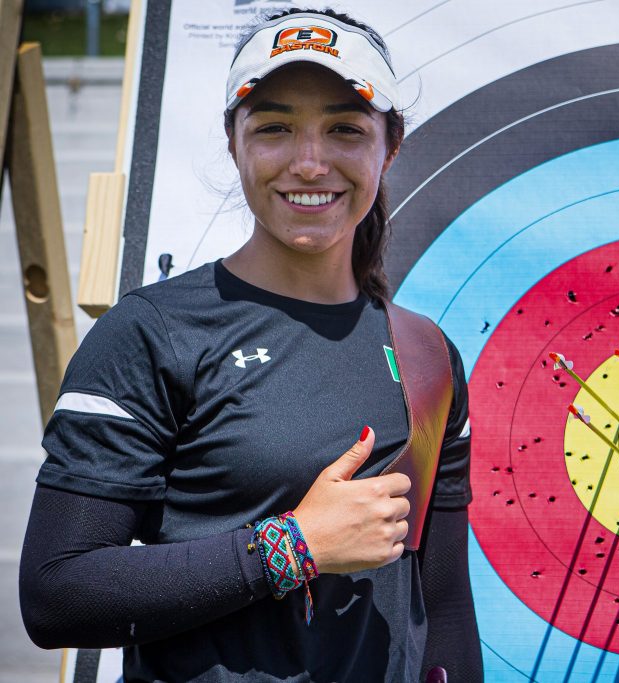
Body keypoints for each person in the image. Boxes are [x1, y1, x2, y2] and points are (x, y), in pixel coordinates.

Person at [19, 9, 483, 682]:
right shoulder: (150, 333)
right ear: (234, 142)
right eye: (274, 127)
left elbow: (443, 612)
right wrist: (292, 546)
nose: (309, 161)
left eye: (344, 128)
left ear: (391, 144)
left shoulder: (427, 356)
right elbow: (57, 592)